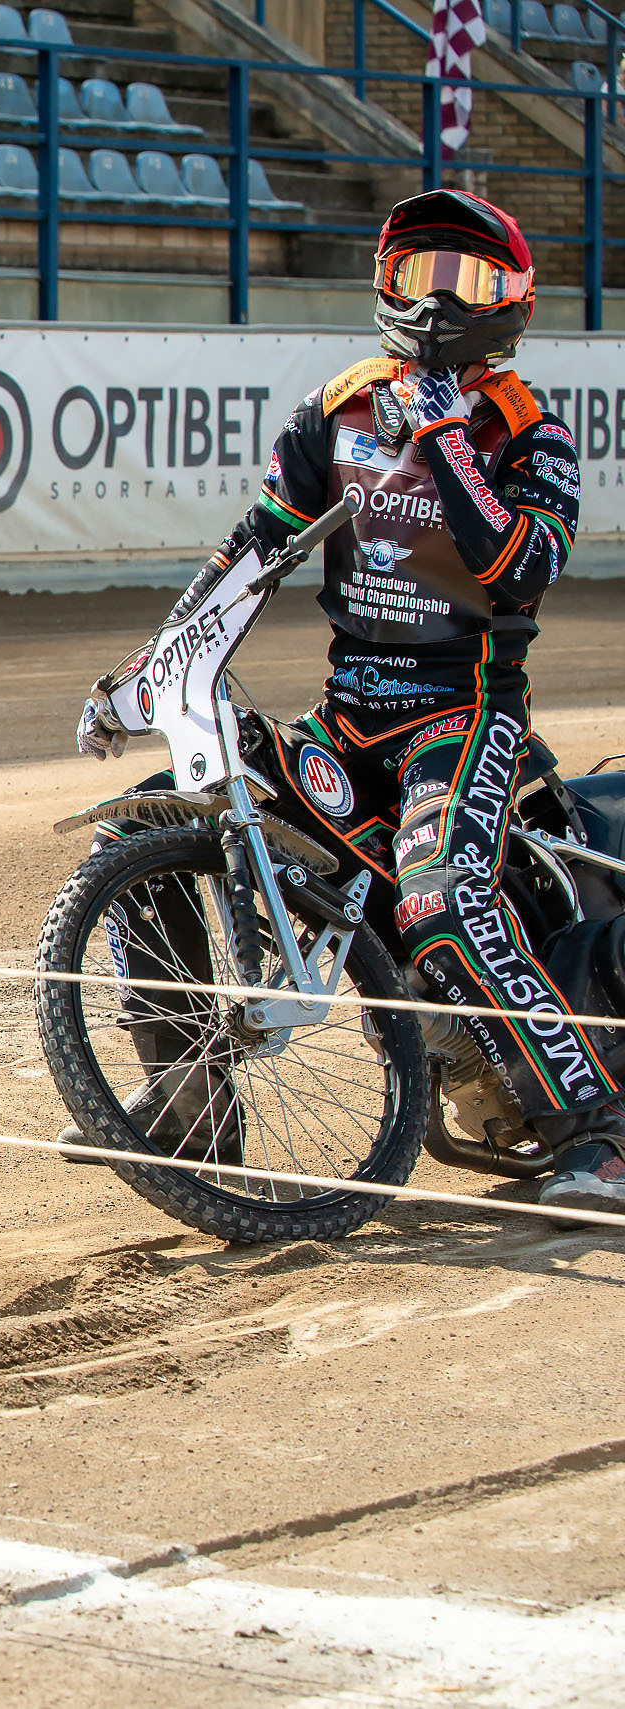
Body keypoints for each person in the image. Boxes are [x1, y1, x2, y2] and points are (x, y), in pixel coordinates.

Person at [79, 189, 625, 1219]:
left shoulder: (527, 430)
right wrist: (148, 674)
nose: (434, 303)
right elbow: (251, 553)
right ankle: (193, 1095)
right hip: (346, 716)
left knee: (436, 898)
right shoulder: (336, 407)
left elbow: (518, 571)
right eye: (418, 274)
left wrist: (448, 446)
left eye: (461, 280)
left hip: (461, 719)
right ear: (384, 282)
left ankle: (592, 1128)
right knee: (153, 811)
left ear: (509, 300)